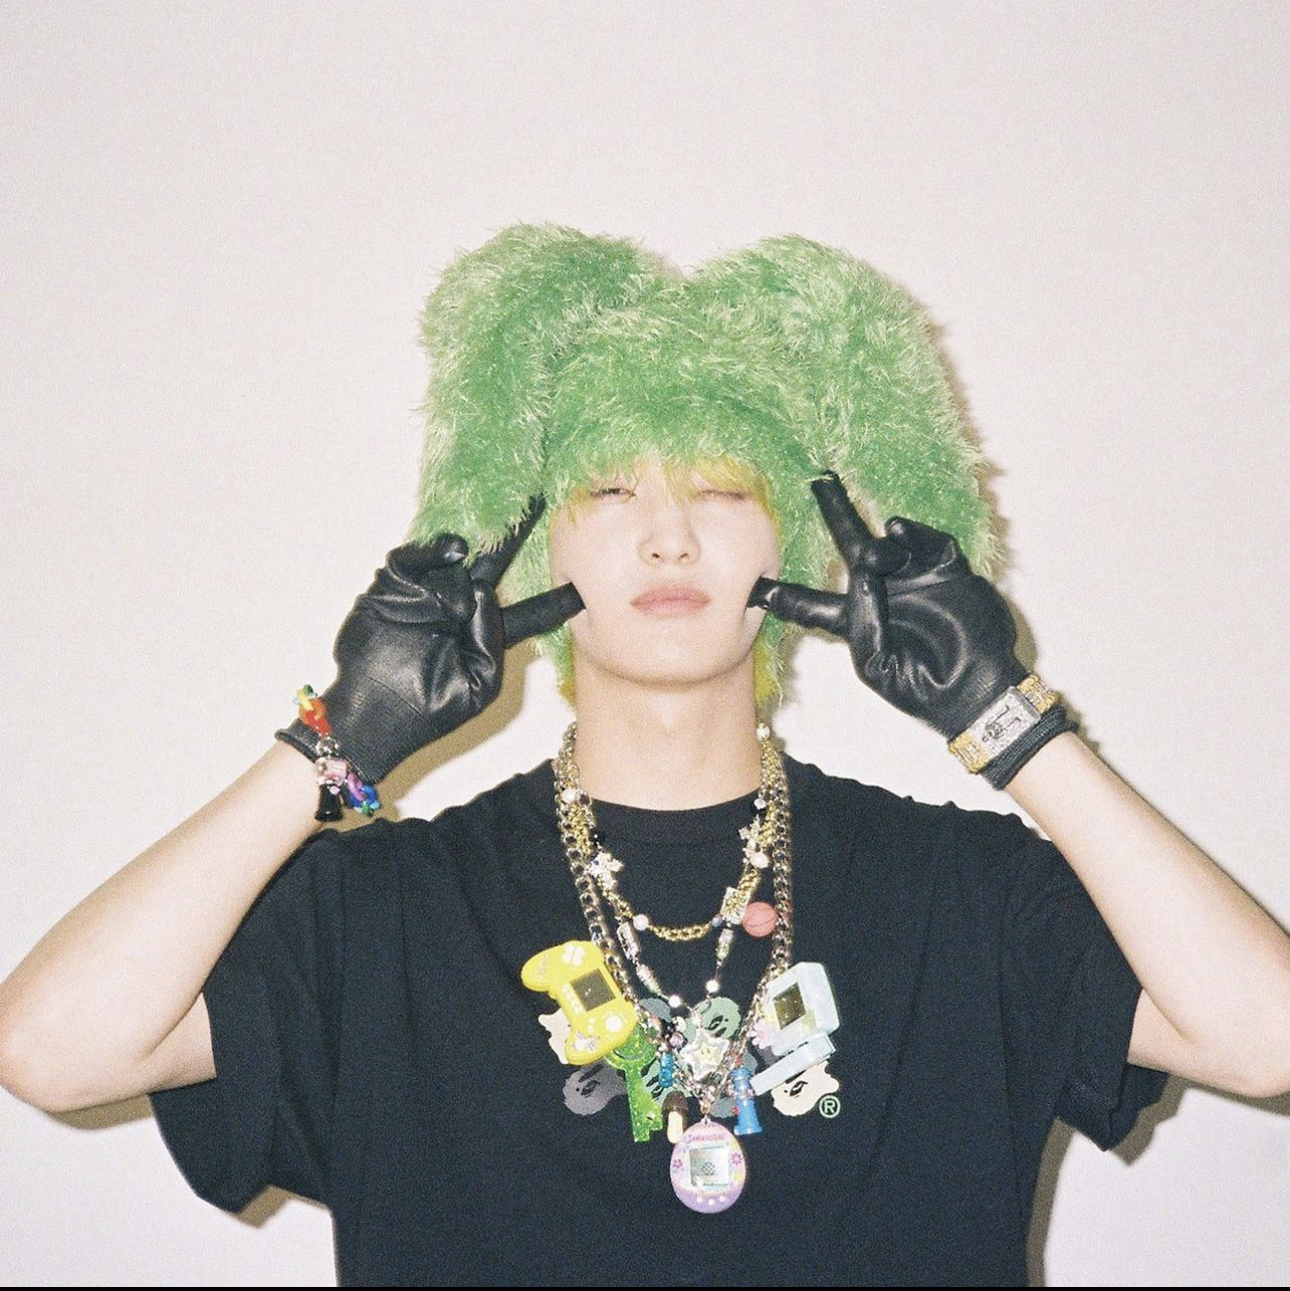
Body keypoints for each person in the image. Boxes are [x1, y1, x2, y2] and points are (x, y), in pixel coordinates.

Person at [2, 224, 1288, 1287]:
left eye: (723, 488)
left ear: (796, 540)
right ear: (527, 544)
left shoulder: (963, 888)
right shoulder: (384, 907)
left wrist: (1004, 720)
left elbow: (1267, 1038)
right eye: (611, 490)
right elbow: (52, 1049)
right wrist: (337, 742)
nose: (669, 538)